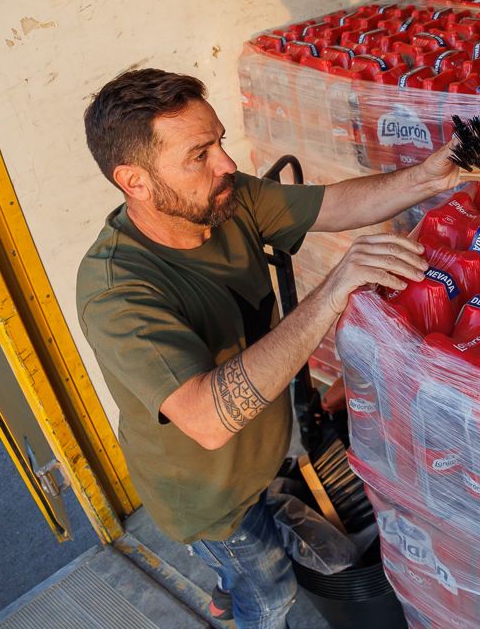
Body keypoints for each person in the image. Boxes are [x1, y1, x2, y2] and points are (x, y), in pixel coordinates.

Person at [76, 68, 458, 629]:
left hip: (261, 455)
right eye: (199, 154)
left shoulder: (225, 202)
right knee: (269, 592)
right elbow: (208, 419)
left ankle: (228, 589)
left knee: (249, 571)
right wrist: (335, 287)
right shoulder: (119, 292)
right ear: (134, 181)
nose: (226, 163)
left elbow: (333, 205)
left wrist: (427, 178)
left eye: (221, 141)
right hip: (211, 497)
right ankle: (240, 599)